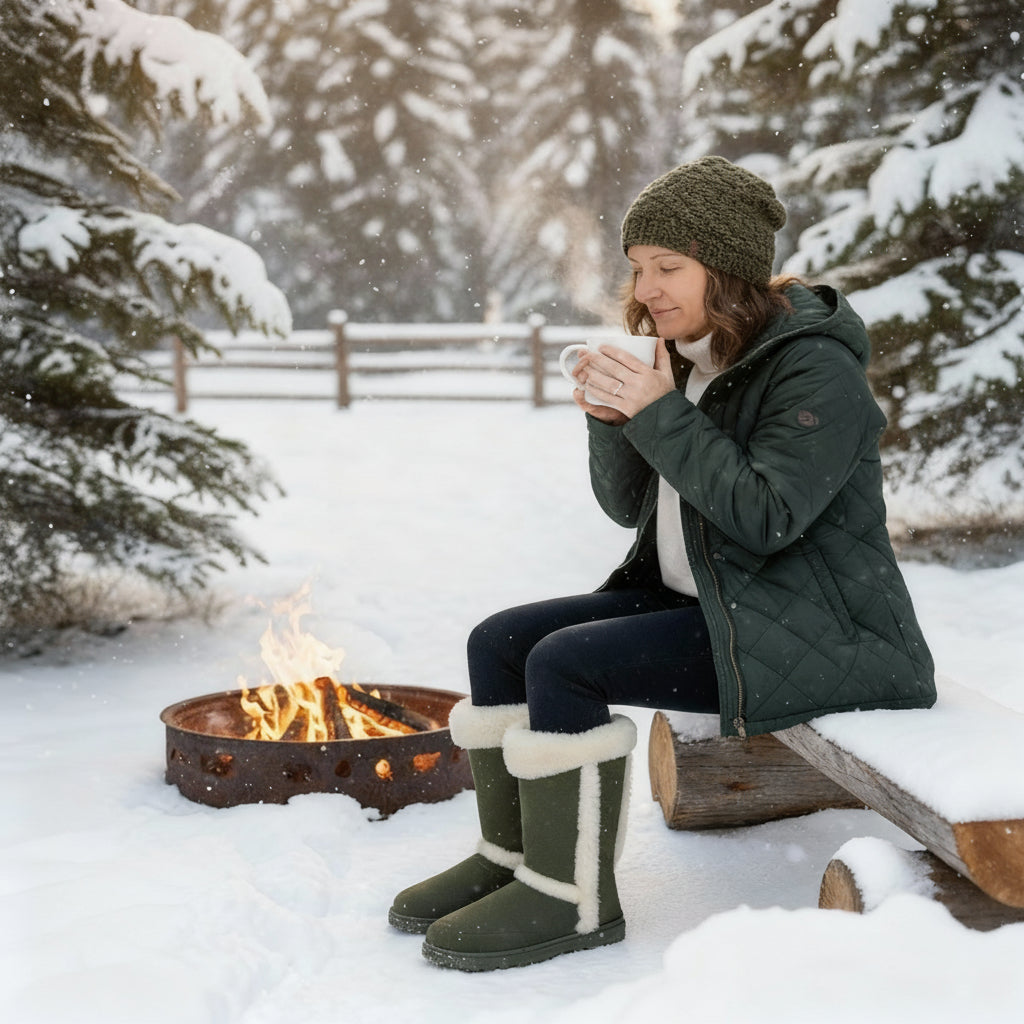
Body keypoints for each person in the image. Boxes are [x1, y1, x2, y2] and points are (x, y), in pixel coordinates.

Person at [388, 155, 936, 971]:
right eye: (639, 268)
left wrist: (661, 414)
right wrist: (618, 420)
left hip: (821, 636)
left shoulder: (815, 368)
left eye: (668, 267)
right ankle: (514, 859)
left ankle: (571, 900)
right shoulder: (695, 355)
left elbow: (766, 518)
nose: (646, 289)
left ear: (728, 269)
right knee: (498, 640)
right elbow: (631, 507)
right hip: (713, 608)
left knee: (564, 666)